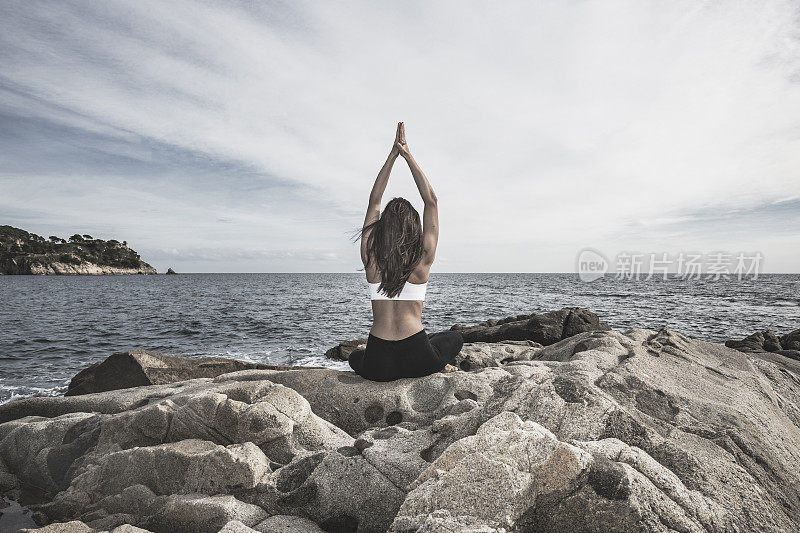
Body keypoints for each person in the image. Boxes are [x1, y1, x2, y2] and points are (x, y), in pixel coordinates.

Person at [348, 122, 463, 382]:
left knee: (355, 356)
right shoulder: (423, 257)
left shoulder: (370, 256)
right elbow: (431, 200)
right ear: (414, 227)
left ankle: (367, 354)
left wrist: (391, 156)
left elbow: (374, 201)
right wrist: (407, 155)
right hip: (418, 356)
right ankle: (439, 364)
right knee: (454, 338)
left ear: (383, 226)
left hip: (379, 362)